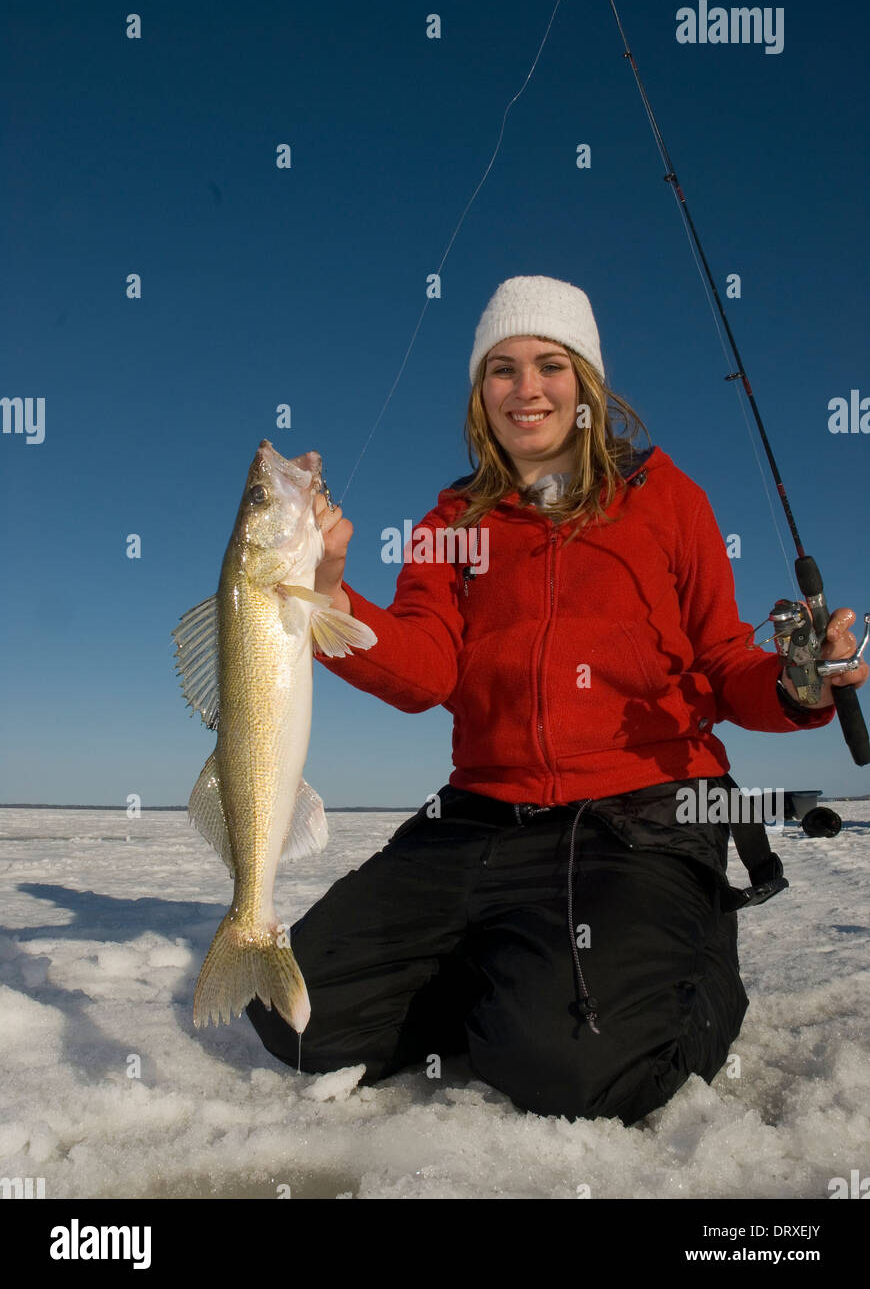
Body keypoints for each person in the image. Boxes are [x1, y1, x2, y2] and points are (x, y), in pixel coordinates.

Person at [246, 275, 867, 1124]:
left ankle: (685, 962)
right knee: (295, 1016)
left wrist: (801, 683)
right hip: (480, 817)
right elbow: (426, 670)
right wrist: (331, 597)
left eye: (549, 364)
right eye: (501, 369)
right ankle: (520, 979)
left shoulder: (666, 498)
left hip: (640, 815)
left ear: (587, 382)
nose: (526, 388)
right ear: (480, 392)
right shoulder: (451, 520)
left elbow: (725, 662)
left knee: (580, 1077)